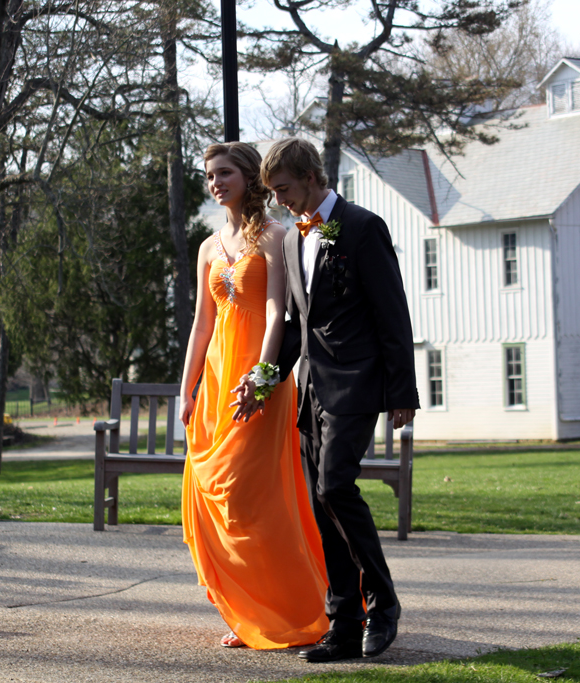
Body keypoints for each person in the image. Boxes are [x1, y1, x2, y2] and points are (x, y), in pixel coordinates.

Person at [238, 137, 419, 662]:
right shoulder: (293, 240)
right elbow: (299, 323)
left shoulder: (363, 229)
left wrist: (401, 391)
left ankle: (383, 604)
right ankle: (343, 623)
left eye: (284, 189)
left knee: (335, 485)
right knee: (321, 502)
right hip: (312, 388)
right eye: (272, 192)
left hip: (358, 384)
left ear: (313, 177)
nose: (278, 201)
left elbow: (393, 314)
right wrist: (266, 377)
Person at [178, 141, 329, 650]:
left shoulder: (274, 235)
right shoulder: (206, 247)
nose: (215, 183)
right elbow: (201, 325)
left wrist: (263, 378)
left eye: (224, 173)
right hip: (217, 381)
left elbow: (275, 314)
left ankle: (297, 608)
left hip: (257, 379)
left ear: (248, 176)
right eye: (208, 176)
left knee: (253, 500)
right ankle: (247, 612)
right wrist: (187, 388)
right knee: (214, 497)